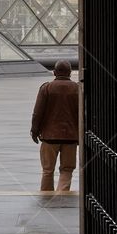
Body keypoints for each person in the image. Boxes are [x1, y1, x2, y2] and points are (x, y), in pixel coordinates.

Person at [30, 59, 79, 191]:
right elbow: (82, 114)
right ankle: (62, 194)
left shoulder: (46, 88)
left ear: (54, 72)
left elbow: (37, 113)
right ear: (70, 72)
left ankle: (46, 195)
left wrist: (34, 131)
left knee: (47, 170)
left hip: (49, 137)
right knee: (67, 169)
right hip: (71, 137)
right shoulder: (78, 89)